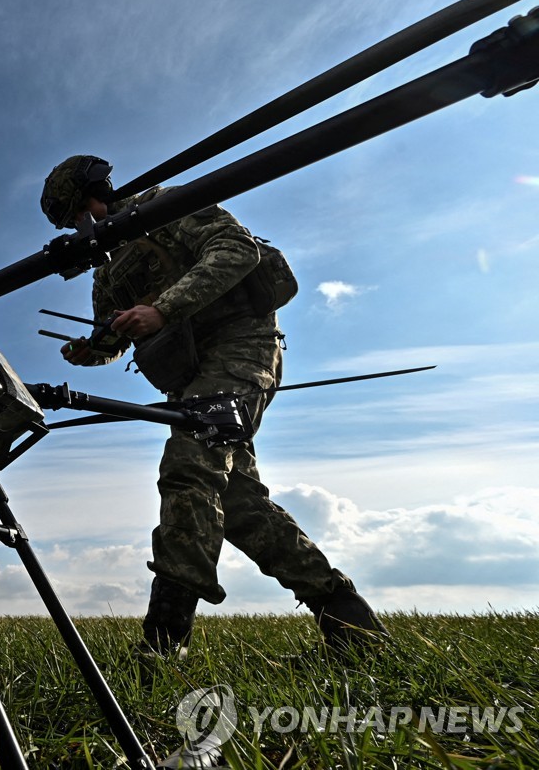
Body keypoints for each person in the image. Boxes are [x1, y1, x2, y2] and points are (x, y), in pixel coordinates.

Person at [40, 154, 388, 658]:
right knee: (242, 508)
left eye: (80, 211)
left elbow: (236, 250)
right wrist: (90, 349)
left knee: (190, 470)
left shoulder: (161, 208)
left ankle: (163, 645)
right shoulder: (106, 269)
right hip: (189, 377)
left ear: (98, 194)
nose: (81, 224)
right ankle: (354, 630)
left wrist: (162, 310)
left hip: (241, 347)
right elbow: (112, 337)